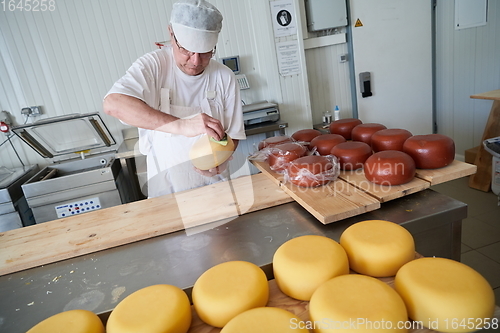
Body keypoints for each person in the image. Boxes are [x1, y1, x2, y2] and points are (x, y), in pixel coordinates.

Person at [103, 0, 246, 198]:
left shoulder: (224, 77)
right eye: (186, 49)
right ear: (171, 34)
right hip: (166, 195)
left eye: (205, 52)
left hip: (216, 192)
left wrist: (221, 161)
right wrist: (182, 126)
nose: (195, 61)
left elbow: (234, 136)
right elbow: (113, 104)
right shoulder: (154, 66)